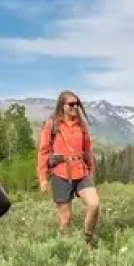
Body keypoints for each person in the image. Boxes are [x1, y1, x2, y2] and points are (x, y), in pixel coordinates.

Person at [37, 90, 99, 245]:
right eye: (71, 104)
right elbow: (43, 152)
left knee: (94, 204)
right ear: (62, 106)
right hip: (60, 174)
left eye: (77, 103)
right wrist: (43, 179)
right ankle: (64, 247)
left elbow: (88, 151)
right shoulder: (52, 124)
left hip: (81, 172)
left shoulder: (81, 125)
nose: (75, 107)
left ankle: (87, 239)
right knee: (65, 219)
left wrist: (91, 172)